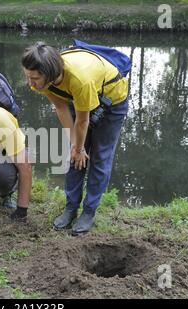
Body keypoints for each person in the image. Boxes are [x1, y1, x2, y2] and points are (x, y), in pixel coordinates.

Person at [21, 41, 129, 235]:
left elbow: (82, 121)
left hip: (112, 99)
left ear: (50, 74)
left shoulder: (80, 80)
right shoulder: (43, 79)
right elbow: (61, 107)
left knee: (99, 157)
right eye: (28, 76)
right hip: (76, 97)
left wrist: (80, 149)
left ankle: (88, 212)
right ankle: (71, 208)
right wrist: (75, 146)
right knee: (73, 154)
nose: (31, 83)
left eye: (34, 78)